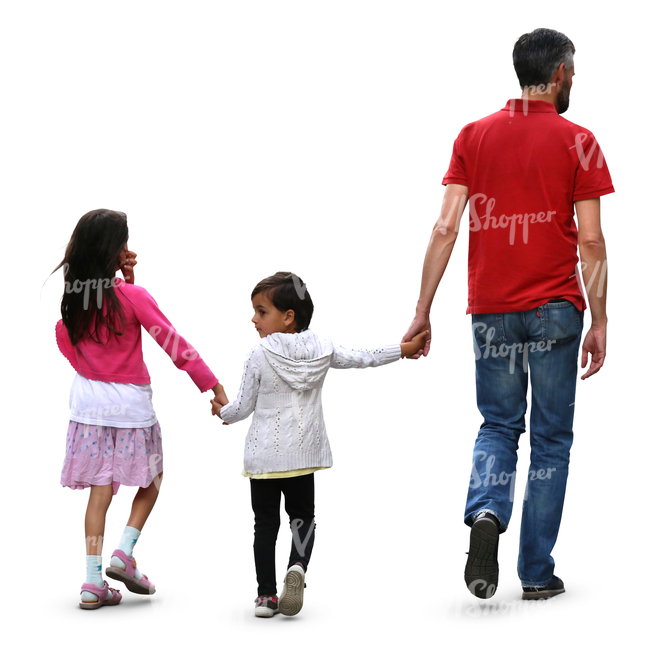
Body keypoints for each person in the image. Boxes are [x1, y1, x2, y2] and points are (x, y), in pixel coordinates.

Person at [402, 28, 613, 600]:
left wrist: (422, 310)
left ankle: (488, 514)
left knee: (498, 425)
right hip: (557, 311)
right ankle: (537, 574)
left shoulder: (473, 135)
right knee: (550, 440)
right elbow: (589, 242)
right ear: (563, 73)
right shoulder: (581, 141)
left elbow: (446, 226)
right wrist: (600, 319)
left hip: (490, 311)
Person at [210, 271, 428, 617]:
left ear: (288, 317)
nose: (253, 318)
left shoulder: (259, 354)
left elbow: (242, 408)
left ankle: (266, 596)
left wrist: (222, 408)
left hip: (264, 460)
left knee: (265, 525)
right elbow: (364, 356)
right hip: (302, 456)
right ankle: (297, 566)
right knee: (302, 520)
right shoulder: (323, 349)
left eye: (261, 311)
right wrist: (405, 349)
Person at [54, 209, 226, 608]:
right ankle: (124, 552)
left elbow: (68, 346)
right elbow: (174, 343)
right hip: (131, 409)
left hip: (88, 410)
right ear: (115, 251)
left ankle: (92, 582)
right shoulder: (133, 298)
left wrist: (96, 368)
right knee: (152, 479)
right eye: (124, 245)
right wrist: (212, 386)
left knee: (100, 492)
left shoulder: (74, 303)